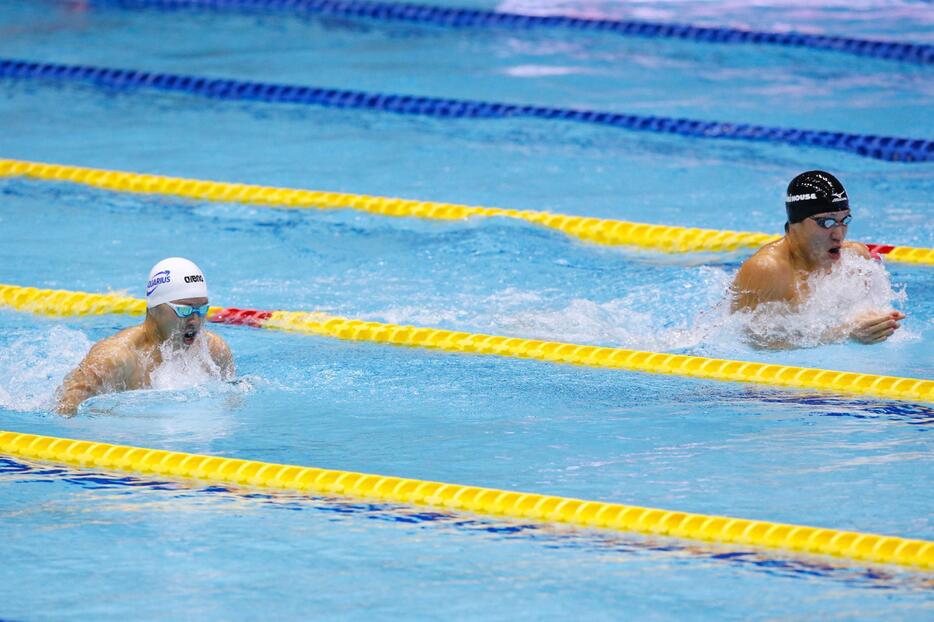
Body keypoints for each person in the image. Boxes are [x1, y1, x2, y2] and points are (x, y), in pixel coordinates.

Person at [731, 170, 905, 346]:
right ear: (795, 224)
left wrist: (877, 323)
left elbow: (861, 316)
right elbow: (752, 342)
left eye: (845, 220)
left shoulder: (855, 259)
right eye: (826, 222)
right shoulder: (768, 270)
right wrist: (844, 333)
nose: (839, 235)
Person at [56, 257, 234, 415]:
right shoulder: (114, 358)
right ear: (155, 307)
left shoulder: (215, 351)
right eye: (184, 310)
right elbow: (64, 413)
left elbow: (230, 408)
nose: (195, 320)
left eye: (202, 309)